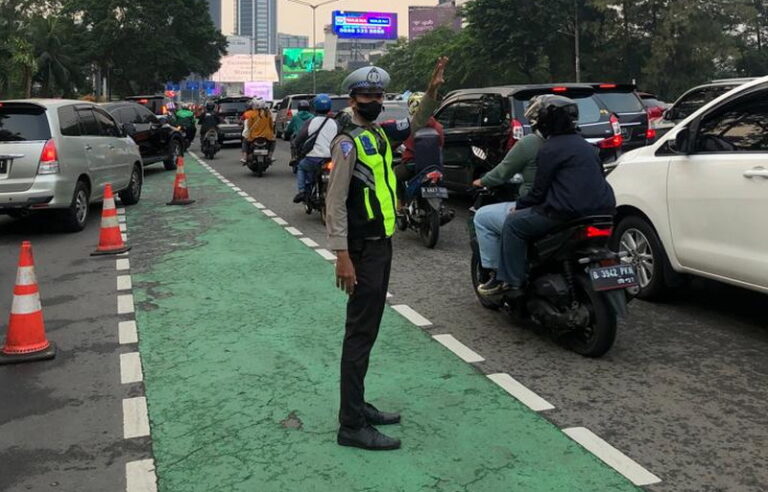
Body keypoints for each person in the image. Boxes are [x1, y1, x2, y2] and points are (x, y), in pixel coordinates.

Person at [326, 56, 448, 451]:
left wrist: (431, 93)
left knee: (369, 329)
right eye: (367, 95)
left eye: (379, 95)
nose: (375, 100)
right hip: (362, 249)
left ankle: (358, 406)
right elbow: (335, 202)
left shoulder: (377, 134)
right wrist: (342, 254)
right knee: (359, 333)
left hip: (381, 243)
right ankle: (350, 425)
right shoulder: (347, 142)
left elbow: (413, 124)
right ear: (353, 99)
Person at [478, 95, 616, 297]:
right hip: (603, 210)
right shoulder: (587, 146)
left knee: (513, 224)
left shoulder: (550, 148)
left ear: (545, 121)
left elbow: (538, 191)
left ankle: (510, 282)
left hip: (565, 213)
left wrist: (520, 204)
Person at [470, 106, 544, 278]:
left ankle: (498, 275)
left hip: (544, 210)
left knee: (482, 217)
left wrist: (482, 181)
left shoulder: (533, 144)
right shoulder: (580, 145)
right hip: (584, 210)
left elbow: (504, 171)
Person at [392, 92, 445, 202]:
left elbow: (398, 141)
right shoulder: (439, 127)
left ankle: (399, 204)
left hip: (412, 164)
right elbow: (441, 144)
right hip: (434, 165)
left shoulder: (410, 126)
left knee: (393, 176)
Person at [292, 94, 338, 203]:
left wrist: (296, 146)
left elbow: (299, 139)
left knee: (301, 167)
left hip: (313, 159)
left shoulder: (311, 122)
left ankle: (302, 191)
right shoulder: (335, 123)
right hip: (332, 159)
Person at [243, 98, 275, 163]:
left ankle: (244, 157)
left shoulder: (252, 114)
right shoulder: (268, 114)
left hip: (253, 137)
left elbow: (249, 126)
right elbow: (271, 125)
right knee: (273, 142)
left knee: (245, 142)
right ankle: (270, 156)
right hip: (267, 136)